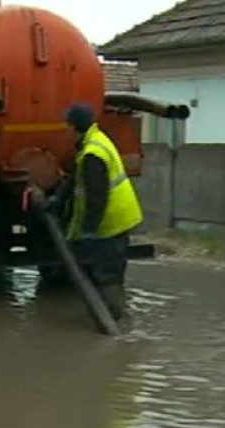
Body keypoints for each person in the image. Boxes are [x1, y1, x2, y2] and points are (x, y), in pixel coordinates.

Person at [36, 103, 144, 329]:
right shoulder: (90, 144)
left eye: (68, 126)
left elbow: (97, 197)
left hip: (111, 221)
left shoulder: (93, 154)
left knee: (107, 272)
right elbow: (75, 178)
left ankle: (115, 323)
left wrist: (89, 229)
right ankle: (113, 319)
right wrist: (57, 201)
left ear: (74, 127)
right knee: (101, 269)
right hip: (114, 218)